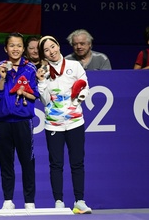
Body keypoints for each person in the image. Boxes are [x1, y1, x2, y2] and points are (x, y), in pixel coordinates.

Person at [36, 35, 92, 214]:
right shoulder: (43, 72)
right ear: (43, 54)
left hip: (75, 122)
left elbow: (84, 86)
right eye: (46, 50)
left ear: (58, 46)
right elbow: (44, 101)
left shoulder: (74, 66)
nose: (51, 51)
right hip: (54, 125)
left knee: (77, 163)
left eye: (53, 46)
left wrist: (77, 102)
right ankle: (58, 202)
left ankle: (80, 201)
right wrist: (42, 81)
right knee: (56, 164)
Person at [0, 32, 40, 210]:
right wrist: (3, 77)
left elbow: (35, 95)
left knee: (27, 161)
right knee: (6, 161)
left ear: (24, 49)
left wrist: (23, 91)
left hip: (23, 121)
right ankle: (8, 200)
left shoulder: (30, 69)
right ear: (6, 48)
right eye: (12, 45)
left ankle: (29, 201)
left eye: (19, 45)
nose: (15, 49)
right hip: (4, 121)